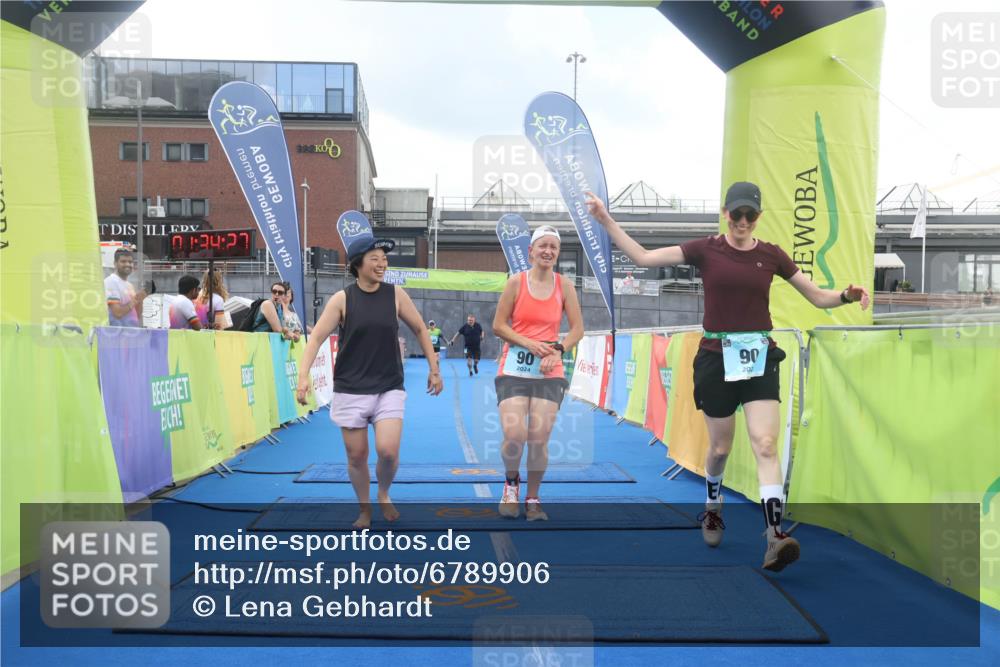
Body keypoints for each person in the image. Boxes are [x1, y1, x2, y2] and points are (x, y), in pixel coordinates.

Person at [587, 182, 870, 571]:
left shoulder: (772, 255)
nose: (742, 221)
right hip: (716, 359)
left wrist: (846, 296)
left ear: (759, 218)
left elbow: (817, 296)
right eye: (735, 214)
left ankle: (774, 536)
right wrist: (605, 220)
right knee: (720, 449)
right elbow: (643, 256)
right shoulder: (705, 249)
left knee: (766, 444)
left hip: (759, 358)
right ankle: (713, 503)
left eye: (749, 215)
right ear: (725, 213)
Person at [296, 235, 444, 529]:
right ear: (357, 264)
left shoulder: (395, 294)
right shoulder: (342, 299)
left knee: (388, 451)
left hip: (389, 385)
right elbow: (316, 338)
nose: (382, 264)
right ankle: (364, 509)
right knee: (357, 455)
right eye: (375, 258)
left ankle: (384, 492)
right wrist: (303, 377)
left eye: (384, 259)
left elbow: (419, 328)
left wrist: (434, 368)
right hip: (351, 388)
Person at [493, 225, 584, 521]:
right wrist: (528, 343)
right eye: (542, 246)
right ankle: (510, 483)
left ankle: (532, 496)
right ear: (531, 251)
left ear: (557, 254)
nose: (548, 251)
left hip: (550, 368)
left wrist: (558, 349)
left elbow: (578, 329)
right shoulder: (516, 283)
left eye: (554, 247)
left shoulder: (565, 286)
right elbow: (499, 325)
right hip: (515, 366)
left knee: (538, 437)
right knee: (514, 434)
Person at [104, 248, 146, 327]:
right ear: (115, 263)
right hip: (117, 335)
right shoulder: (111, 282)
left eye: (130, 262)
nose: (127, 264)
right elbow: (118, 313)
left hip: (131, 334)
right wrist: (135, 300)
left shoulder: (129, 285)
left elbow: (137, 315)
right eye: (123, 261)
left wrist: (141, 299)